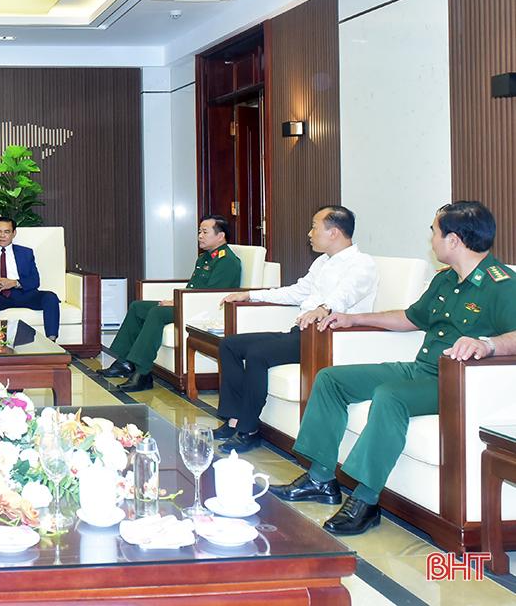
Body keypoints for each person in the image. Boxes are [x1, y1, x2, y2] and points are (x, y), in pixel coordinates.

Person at [271, 201, 516, 535]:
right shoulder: (445, 280)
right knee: (331, 380)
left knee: (391, 396)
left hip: (457, 383)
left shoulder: (501, 284)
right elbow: (410, 317)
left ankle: (366, 501)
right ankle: (320, 479)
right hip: (422, 369)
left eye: (434, 232)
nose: (431, 239)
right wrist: (353, 318)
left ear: (453, 240)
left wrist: (488, 344)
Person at [214, 206, 378, 454]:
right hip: (303, 332)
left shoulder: (362, 263)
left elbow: (347, 294)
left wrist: (323, 308)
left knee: (258, 354)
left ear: (334, 232)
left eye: (314, 227)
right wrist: (250, 294)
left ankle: (249, 429)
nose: (309, 233)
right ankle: (234, 418)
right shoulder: (323, 262)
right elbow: (297, 291)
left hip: (327, 338)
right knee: (230, 345)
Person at [101, 215, 242, 393]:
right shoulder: (204, 258)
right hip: (188, 302)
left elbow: (211, 296)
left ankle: (143, 373)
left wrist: (177, 302)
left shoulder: (227, 261)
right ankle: (125, 362)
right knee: (138, 307)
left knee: (157, 313)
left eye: (205, 232)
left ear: (220, 236)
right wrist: (177, 301)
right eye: (199, 231)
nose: (200, 236)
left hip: (203, 310)